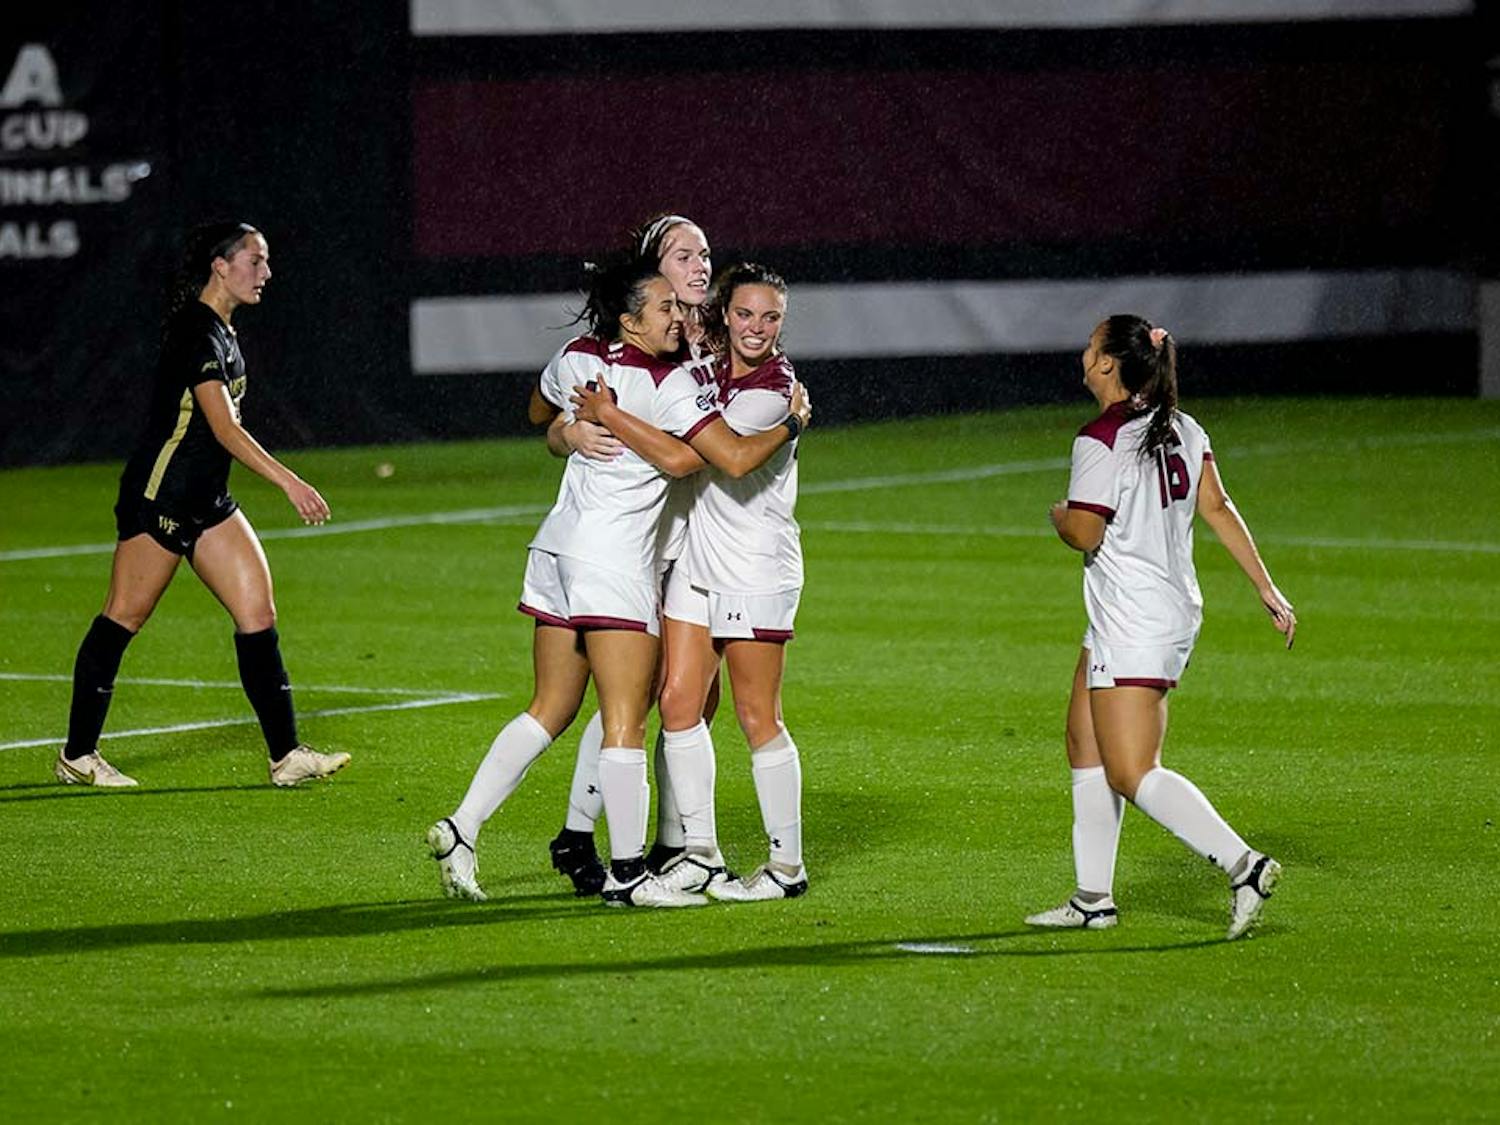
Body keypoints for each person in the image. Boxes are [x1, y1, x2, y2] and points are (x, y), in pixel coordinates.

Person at [427, 252, 810, 908]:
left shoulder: (582, 354)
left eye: (768, 316)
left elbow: (537, 410)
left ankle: (465, 827)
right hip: (620, 560)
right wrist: (588, 424)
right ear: (635, 315)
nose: (683, 307)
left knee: (558, 707)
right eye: (670, 298)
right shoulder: (674, 385)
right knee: (629, 717)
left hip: (559, 551)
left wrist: (570, 429)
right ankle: (632, 872)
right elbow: (692, 456)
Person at [54, 221, 351, 789]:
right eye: (255, 260)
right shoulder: (197, 331)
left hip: (207, 502)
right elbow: (222, 428)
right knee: (123, 617)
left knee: (258, 615)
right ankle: (78, 754)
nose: (266, 273)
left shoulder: (224, 332)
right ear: (221, 265)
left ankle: (286, 756)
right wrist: (290, 483)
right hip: (158, 499)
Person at [1028, 315, 1295, 940]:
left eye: (1092, 344)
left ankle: (1243, 865)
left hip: (1136, 619)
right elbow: (1217, 507)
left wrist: (1059, 517)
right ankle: (1093, 897)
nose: (1084, 349)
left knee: (1131, 769)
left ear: (1105, 365)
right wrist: (1264, 584)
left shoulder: (1099, 439)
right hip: (1149, 609)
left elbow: (1086, 533)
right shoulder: (1182, 425)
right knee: (1083, 743)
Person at [572, 264, 809, 901]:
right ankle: (701, 852)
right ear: (723, 316)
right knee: (677, 704)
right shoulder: (703, 373)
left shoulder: (773, 392)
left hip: (754, 565)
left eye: (771, 318)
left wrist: (790, 426)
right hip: (697, 565)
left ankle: (787, 868)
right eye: (746, 315)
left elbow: (727, 458)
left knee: (758, 716)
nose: (757, 328)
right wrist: (572, 423)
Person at [542, 213, 719, 896]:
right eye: (683, 255)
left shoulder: (709, 339)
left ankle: (676, 841)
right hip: (640, 542)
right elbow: (543, 410)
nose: (699, 266)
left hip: (696, 535)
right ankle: (601, 838)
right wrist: (568, 429)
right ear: (652, 272)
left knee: (692, 697)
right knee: (645, 696)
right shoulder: (605, 351)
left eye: (704, 253)